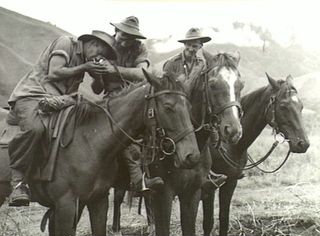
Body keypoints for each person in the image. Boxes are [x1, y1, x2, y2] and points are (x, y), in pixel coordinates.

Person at [7, 30, 118, 206]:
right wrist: (85, 68)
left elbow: (97, 90)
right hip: (33, 95)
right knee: (35, 129)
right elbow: (54, 72)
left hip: (61, 102)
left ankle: (60, 181)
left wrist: (99, 76)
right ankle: (18, 182)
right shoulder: (66, 43)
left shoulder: (87, 60)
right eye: (100, 52)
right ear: (93, 44)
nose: (99, 56)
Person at [91, 16, 164, 192]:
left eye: (131, 37)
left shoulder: (140, 48)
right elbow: (96, 89)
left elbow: (142, 73)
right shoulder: (104, 47)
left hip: (136, 98)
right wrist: (98, 73)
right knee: (119, 129)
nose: (126, 41)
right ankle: (136, 177)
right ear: (116, 31)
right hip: (111, 99)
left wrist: (114, 70)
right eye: (124, 35)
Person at [163, 27, 227, 189]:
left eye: (196, 46)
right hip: (176, 109)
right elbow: (174, 92)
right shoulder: (172, 64)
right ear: (185, 45)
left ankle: (207, 172)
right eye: (190, 45)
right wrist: (195, 74)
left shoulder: (203, 64)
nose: (192, 49)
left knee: (210, 130)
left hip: (195, 109)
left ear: (200, 47)